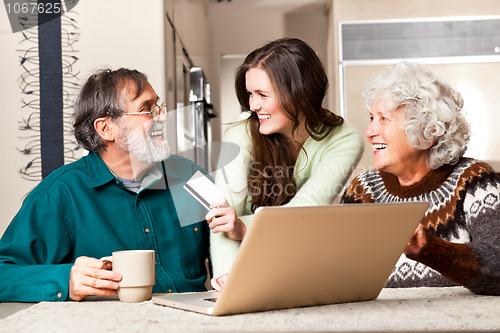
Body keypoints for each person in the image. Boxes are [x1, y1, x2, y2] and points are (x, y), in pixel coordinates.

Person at [0, 68, 210, 302]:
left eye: (158, 107)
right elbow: (3, 274)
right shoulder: (59, 194)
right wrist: (65, 280)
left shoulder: (192, 175)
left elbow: (235, 246)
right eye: (147, 110)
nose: (162, 117)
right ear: (106, 128)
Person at [207, 38, 363, 289]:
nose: (253, 105)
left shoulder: (345, 140)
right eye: (250, 94)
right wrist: (227, 279)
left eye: (263, 95)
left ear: (300, 94)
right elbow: (221, 214)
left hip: (303, 269)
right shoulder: (242, 130)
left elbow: (299, 217)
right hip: (245, 268)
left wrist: (242, 227)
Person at [341, 62, 500, 295]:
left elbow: (497, 265)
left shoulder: (476, 181)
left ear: (428, 132)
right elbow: (336, 270)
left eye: (383, 119)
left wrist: (434, 250)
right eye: (371, 118)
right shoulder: (363, 190)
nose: (370, 131)